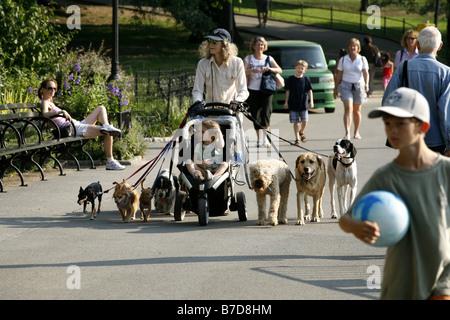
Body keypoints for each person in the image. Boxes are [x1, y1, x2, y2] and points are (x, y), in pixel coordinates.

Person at [339, 87, 450, 300]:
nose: (393, 130)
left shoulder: (445, 171)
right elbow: (345, 218)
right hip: (399, 285)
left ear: (422, 127)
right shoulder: (386, 176)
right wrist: (356, 226)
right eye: (388, 123)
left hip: (442, 280)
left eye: (401, 123)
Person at [383, 26, 450, 156]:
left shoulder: (404, 67)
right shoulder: (446, 73)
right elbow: (446, 112)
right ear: (440, 46)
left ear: (418, 45)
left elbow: (388, 101)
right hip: (437, 142)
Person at [38, 78, 125, 170]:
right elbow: (44, 114)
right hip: (72, 128)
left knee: (101, 108)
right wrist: (61, 112)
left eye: (54, 89)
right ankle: (110, 161)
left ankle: (106, 125)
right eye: (50, 88)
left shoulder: (50, 102)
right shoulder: (45, 102)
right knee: (108, 132)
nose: (52, 90)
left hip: (76, 125)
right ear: (42, 89)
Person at [192, 28, 249, 105]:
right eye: (210, 41)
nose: (211, 44)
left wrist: (237, 102)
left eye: (215, 42)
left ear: (225, 44)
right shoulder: (202, 64)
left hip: (231, 112)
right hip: (210, 112)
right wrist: (198, 102)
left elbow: (243, 91)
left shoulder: (237, 62)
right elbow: (197, 90)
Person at [244, 36, 282, 147]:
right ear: (253, 46)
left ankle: (265, 138)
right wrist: (252, 70)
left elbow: (279, 69)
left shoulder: (268, 58)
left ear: (264, 46)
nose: (260, 46)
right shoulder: (249, 59)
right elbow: (242, 72)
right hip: (252, 90)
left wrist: (269, 69)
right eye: (258, 44)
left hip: (266, 89)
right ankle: (259, 138)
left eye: (262, 44)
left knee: (266, 113)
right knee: (255, 115)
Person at [333, 38, 369, 140]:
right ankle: (347, 132)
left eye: (355, 46)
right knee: (348, 109)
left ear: (358, 48)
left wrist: (366, 84)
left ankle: (356, 131)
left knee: (357, 111)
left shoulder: (362, 59)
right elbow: (339, 75)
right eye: (351, 46)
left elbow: (366, 72)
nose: (353, 47)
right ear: (348, 48)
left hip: (359, 85)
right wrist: (335, 89)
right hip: (346, 85)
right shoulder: (343, 59)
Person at [283, 60, 314, 145]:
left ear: (305, 70)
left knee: (305, 120)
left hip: (303, 103)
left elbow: (310, 90)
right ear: (295, 68)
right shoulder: (291, 79)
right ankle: (297, 139)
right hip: (293, 103)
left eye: (302, 68)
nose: (300, 70)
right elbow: (287, 91)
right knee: (295, 122)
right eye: (299, 68)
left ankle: (301, 131)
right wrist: (286, 102)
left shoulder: (306, 79)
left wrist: (311, 101)